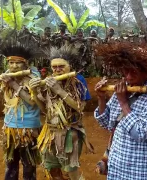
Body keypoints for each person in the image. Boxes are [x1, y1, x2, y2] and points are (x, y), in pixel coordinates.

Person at [94, 41, 147, 179]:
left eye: (134, 72)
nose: (128, 77)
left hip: (138, 170)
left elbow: (140, 133)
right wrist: (101, 98)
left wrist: (123, 102)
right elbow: (106, 124)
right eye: (125, 71)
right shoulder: (122, 88)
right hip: (115, 165)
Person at [29, 45, 93, 180]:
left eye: (61, 66)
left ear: (70, 66)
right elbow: (44, 110)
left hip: (70, 133)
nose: (57, 70)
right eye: (54, 67)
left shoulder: (78, 80)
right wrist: (34, 92)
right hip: (50, 133)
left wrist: (59, 90)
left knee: (71, 171)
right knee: (53, 169)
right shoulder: (48, 81)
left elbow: (80, 107)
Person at [0, 40, 44, 180]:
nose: (14, 66)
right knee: (10, 165)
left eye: (18, 63)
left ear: (25, 63)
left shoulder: (34, 78)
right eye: (11, 63)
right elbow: (2, 95)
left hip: (28, 129)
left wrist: (13, 84)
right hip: (10, 128)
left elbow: (32, 102)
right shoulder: (7, 74)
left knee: (28, 167)